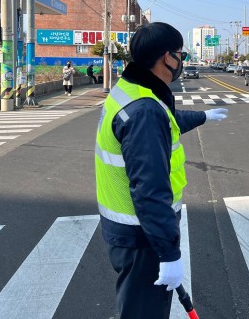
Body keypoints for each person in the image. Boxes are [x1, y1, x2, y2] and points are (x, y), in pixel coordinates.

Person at [95, 22, 228, 319]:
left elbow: (168, 119)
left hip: (130, 230)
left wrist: (203, 116)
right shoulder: (145, 110)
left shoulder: (131, 91)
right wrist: (168, 254)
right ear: (167, 57)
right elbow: (149, 189)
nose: (182, 61)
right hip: (142, 236)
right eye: (180, 54)